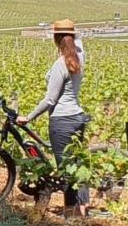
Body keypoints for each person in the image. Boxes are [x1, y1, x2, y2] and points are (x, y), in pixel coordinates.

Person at [18, 18, 91, 215]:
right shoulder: (80, 57)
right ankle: (83, 208)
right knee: (77, 165)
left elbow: (50, 100)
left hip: (62, 121)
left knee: (66, 169)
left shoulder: (61, 64)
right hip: (78, 117)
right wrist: (72, 34)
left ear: (55, 39)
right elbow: (79, 42)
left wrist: (29, 117)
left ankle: (72, 214)